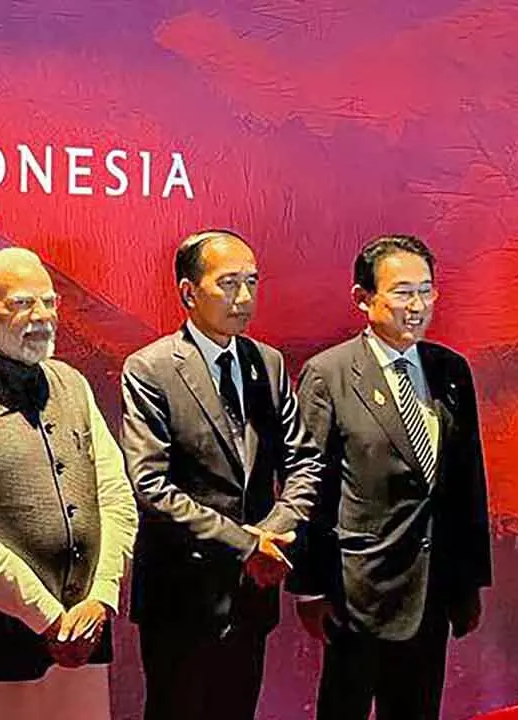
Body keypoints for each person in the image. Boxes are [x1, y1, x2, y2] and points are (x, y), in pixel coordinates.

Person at [120, 229, 324, 720]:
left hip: (251, 595)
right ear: (189, 292)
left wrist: (269, 537)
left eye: (252, 282)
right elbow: (151, 485)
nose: (245, 298)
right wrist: (244, 544)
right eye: (228, 283)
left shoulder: (267, 363)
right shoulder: (150, 368)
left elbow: (305, 462)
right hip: (182, 598)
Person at [0, 248, 137, 720]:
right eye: (22, 304)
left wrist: (101, 598)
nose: (41, 317)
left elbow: (116, 496)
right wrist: (48, 618)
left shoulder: (74, 383)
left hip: (87, 638)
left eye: (49, 303)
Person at [291, 234, 491, 720]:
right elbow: (309, 487)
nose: (418, 306)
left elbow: (468, 483)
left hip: (433, 591)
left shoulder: (450, 370)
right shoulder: (329, 373)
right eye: (403, 292)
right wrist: (310, 587)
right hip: (359, 591)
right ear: (363, 298)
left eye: (426, 291)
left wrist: (469, 583)